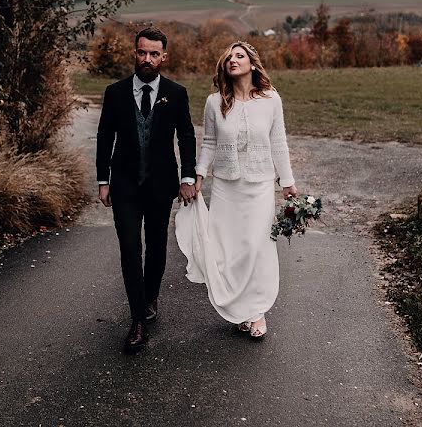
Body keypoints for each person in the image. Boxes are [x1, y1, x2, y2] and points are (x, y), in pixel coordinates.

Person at [95, 26, 197, 353]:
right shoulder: (115, 93)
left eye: (154, 54)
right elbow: (103, 138)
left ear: (164, 57)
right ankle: (137, 319)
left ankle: (151, 296)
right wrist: (102, 180)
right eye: (142, 52)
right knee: (129, 247)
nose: (147, 59)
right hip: (124, 183)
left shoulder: (176, 93)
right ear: (134, 53)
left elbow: (187, 137)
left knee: (155, 248)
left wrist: (188, 178)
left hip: (160, 184)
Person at [185, 41, 297, 339]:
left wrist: (286, 181)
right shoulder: (214, 102)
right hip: (226, 186)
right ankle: (240, 310)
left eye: (239, 56)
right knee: (228, 249)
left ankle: (257, 311)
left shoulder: (271, 99)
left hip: (259, 185)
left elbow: (278, 142)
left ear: (252, 63)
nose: (233, 60)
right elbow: (209, 142)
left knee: (256, 247)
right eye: (229, 58)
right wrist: (198, 175)